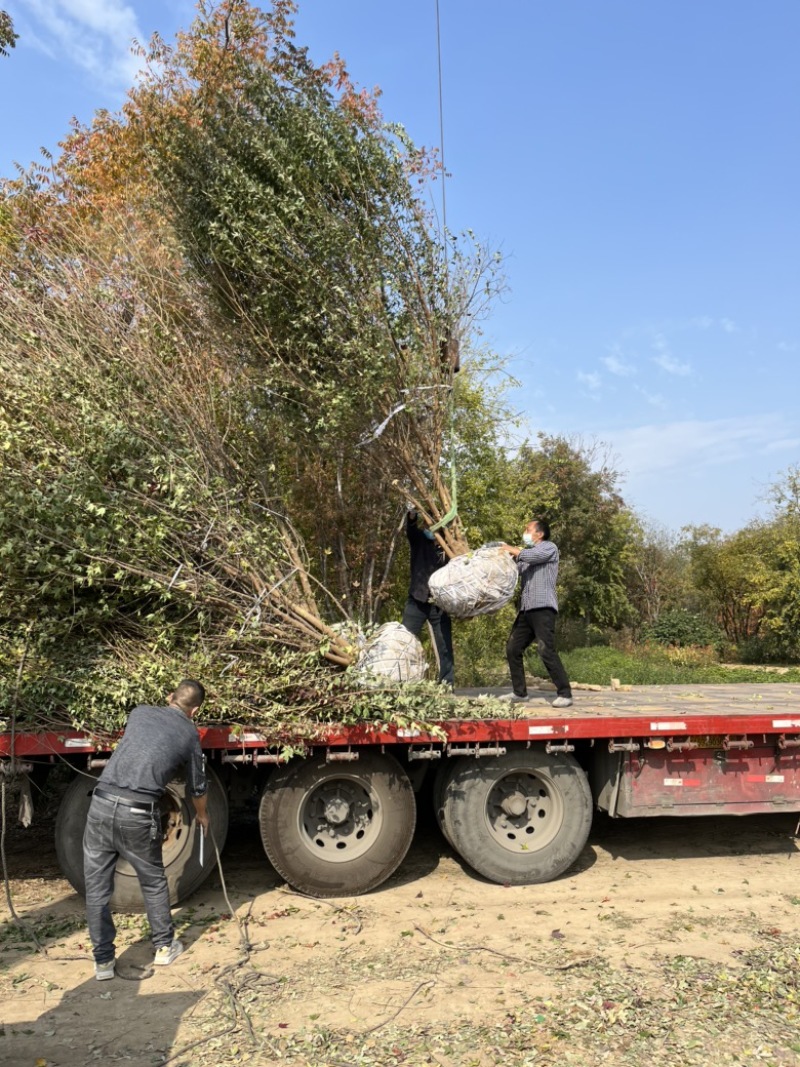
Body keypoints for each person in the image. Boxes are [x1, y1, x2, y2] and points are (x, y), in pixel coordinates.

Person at [83, 679, 210, 980]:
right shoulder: (190, 734)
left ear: (169, 696)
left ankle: (102, 964)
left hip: (100, 804)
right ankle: (165, 947)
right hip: (137, 812)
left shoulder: (139, 713)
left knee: (97, 887)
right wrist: (202, 816)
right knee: (152, 881)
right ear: (196, 710)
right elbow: (197, 786)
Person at [500, 520, 573, 707]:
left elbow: (528, 556)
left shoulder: (549, 548)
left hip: (543, 608)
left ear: (539, 534)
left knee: (545, 649)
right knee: (513, 648)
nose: (525, 533)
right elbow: (517, 568)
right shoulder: (527, 556)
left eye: (528, 530)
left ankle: (565, 693)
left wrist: (508, 548)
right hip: (526, 610)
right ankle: (520, 693)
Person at [401, 508, 455, 687]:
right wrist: (411, 515)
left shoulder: (450, 548)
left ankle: (447, 684)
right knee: (405, 640)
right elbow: (410, 529)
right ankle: (401, 680)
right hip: (417, 598)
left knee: (444, 645)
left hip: (440, 604)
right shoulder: (420, 540)